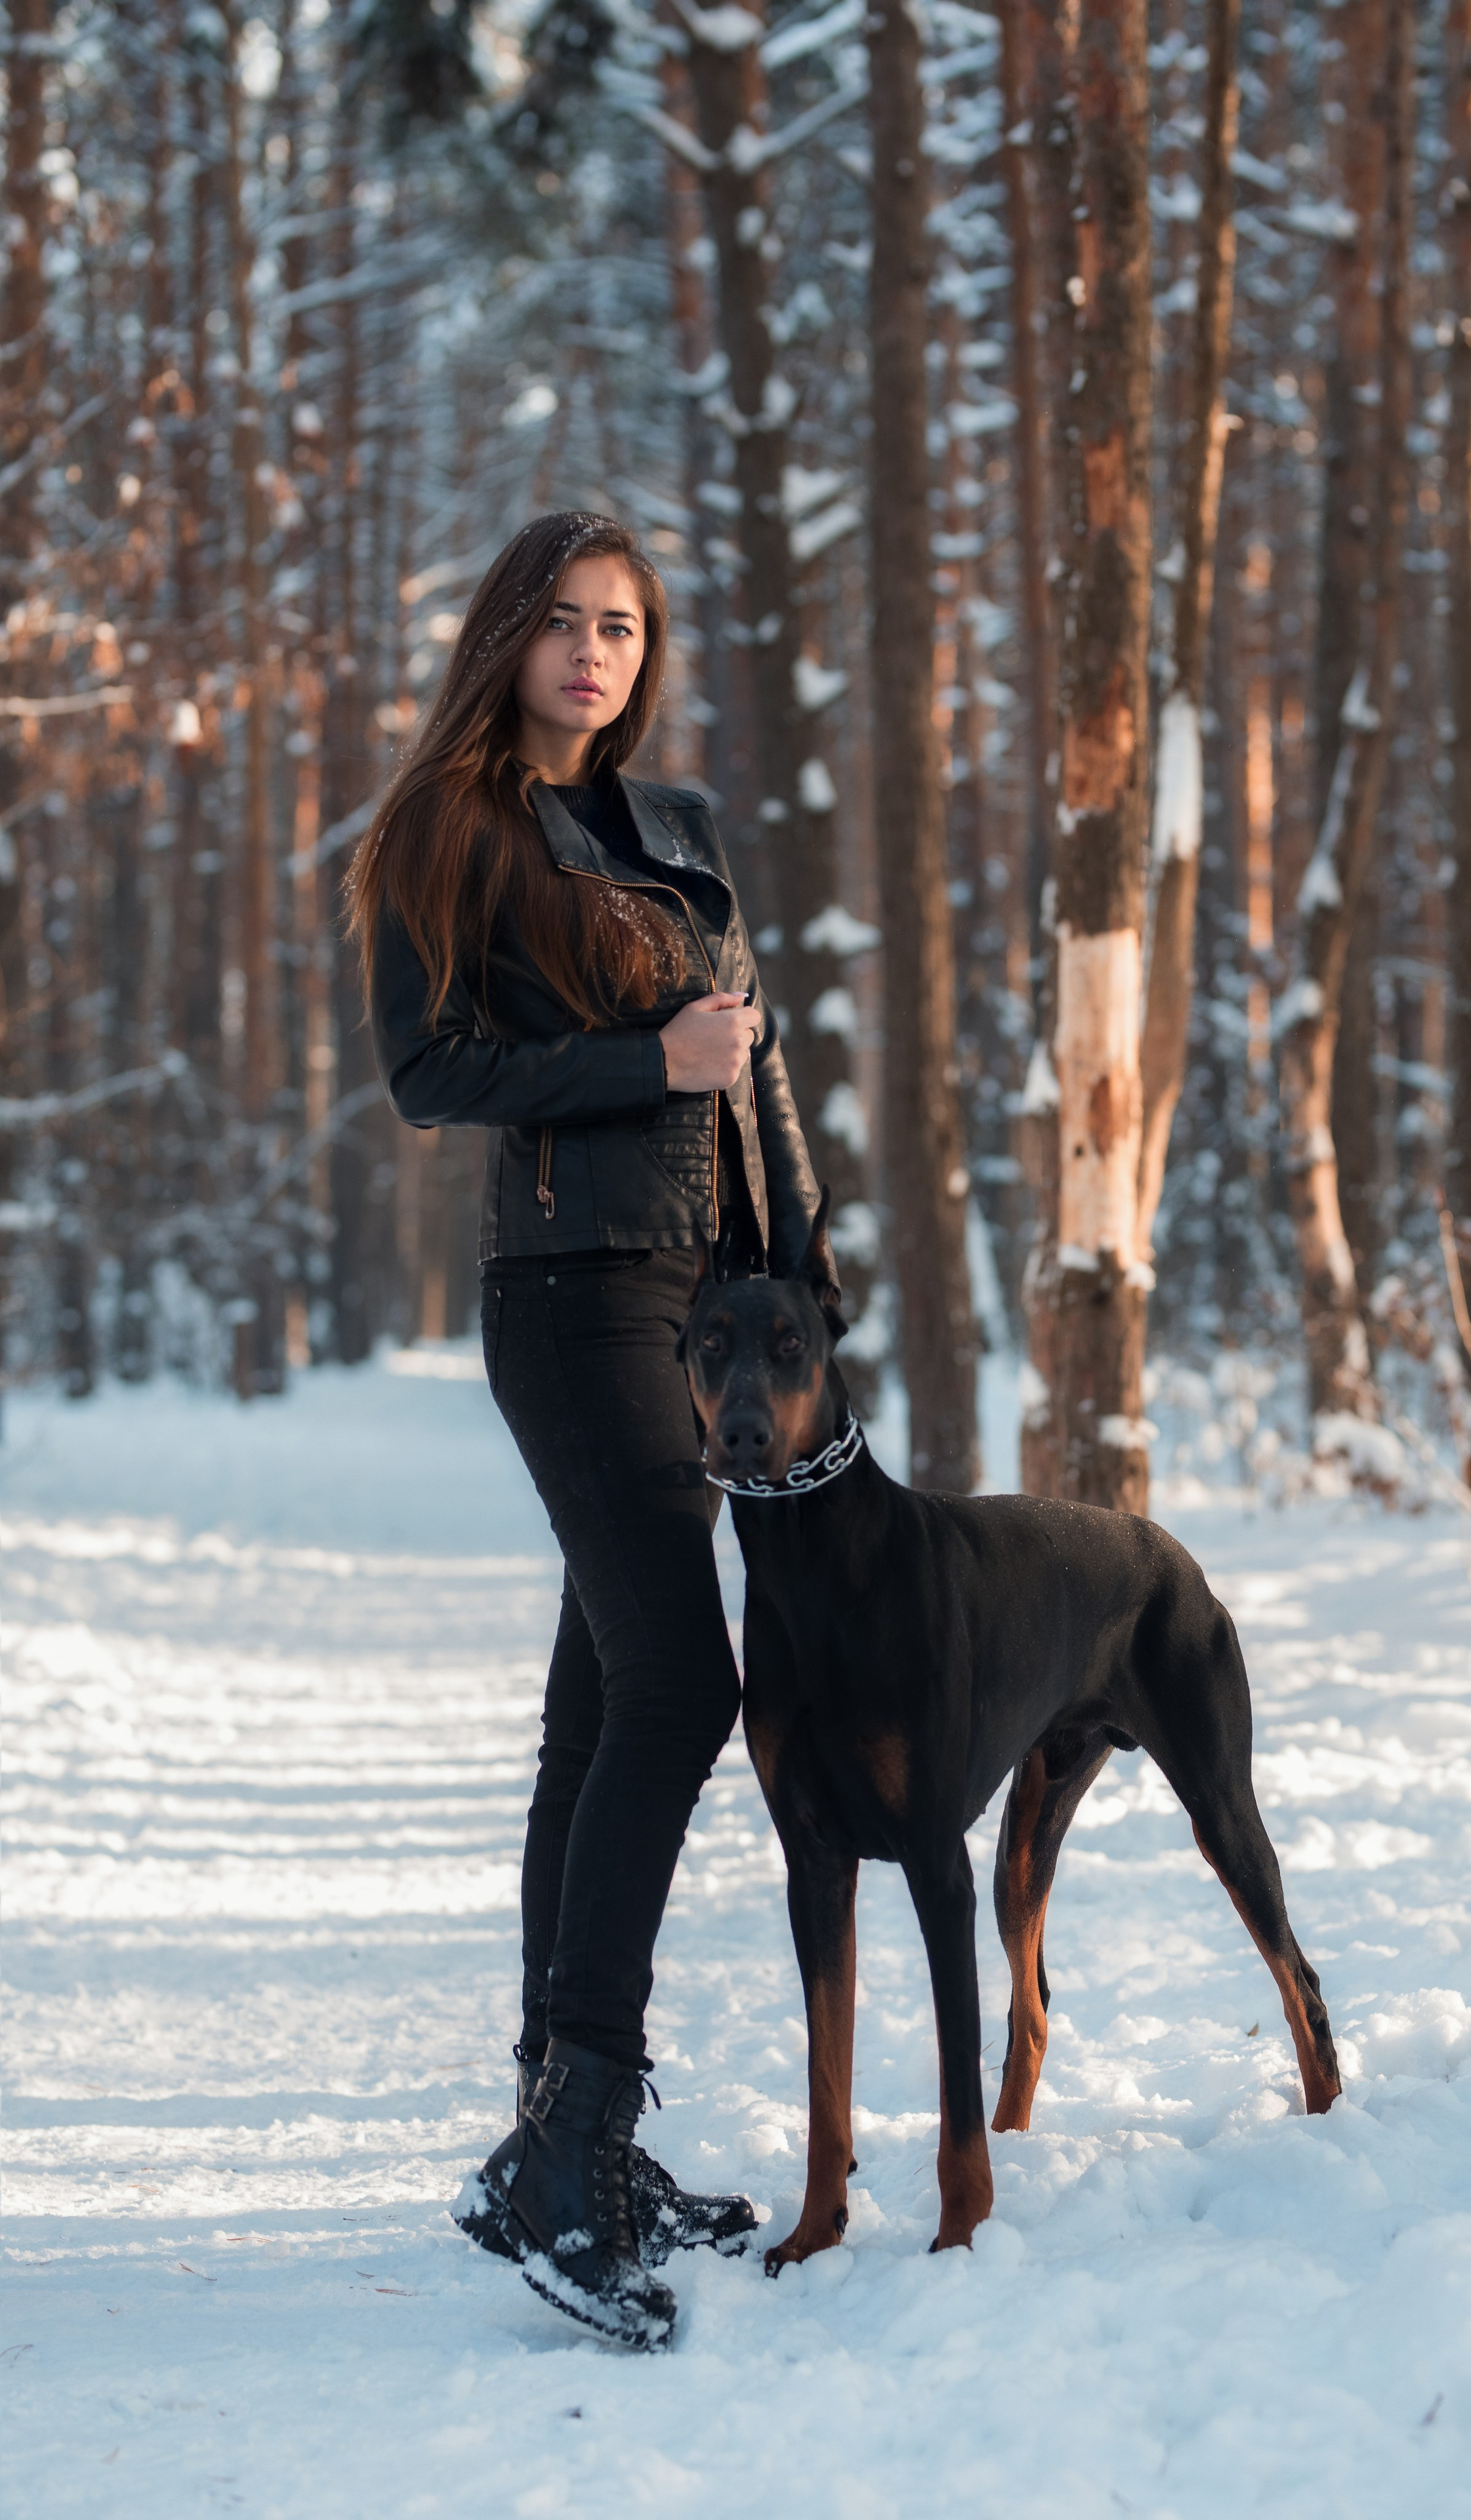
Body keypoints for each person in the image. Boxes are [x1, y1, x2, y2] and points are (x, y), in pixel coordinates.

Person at [350, 511, 820, 2349]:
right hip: (572, 1297)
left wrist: (803, 1262)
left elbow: (755, 1062)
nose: (596, 653)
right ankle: (575, 2152)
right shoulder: (444, 832)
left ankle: (560, 2130)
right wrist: (650, 1062)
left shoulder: (679, 828)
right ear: (507, 639)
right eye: (564, 622)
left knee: (596, 1705)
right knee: (679, 1691)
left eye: (623, 626)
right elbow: (429, 1070)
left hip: (707, 1301)